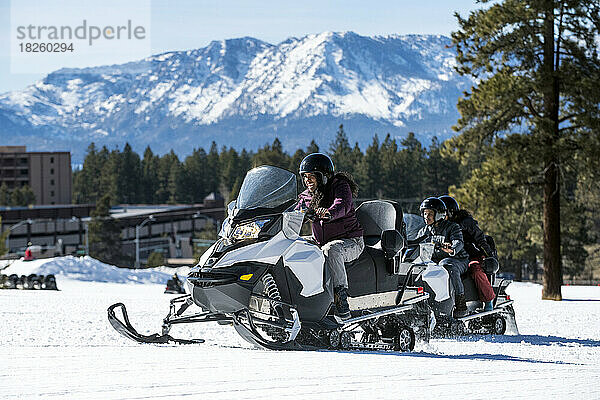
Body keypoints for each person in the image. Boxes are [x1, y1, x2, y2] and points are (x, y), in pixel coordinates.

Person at [296, 153, 364, 320]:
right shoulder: (307, 195)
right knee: (295, 245)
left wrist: (329, 213)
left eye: (311, 176)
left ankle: (340, 297)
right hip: (320, 241)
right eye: (305, 177)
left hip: (350, 241)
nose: (307, 181)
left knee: (331, 250)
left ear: (324, 176)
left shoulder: (340, 186)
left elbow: (342, 204)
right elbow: (294, 210)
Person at [414, 197, 469, 318]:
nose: (426, 217)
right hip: (434, 261)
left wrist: (452, 248)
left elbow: (458, 242)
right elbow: (415, 244)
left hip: (458, 260)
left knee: (446, 265)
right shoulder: (424, 231)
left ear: (439, 215)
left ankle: (460, 303)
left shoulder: (452, 227)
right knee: (416, 268)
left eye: (430, 214)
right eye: (424, 213)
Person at [439, 195, 496, 311]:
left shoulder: (466, 223)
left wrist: (490, 256)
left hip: (474, 256)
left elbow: (481, 240)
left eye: (442, 213)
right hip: (457, 257)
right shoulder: (441, 226)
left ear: (450, 212)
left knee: (475, 270)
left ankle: (488, 300)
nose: (441, 216)